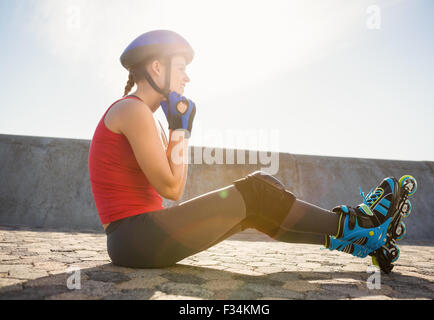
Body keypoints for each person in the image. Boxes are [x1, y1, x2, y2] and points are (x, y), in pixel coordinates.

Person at [88, 30, 415, 272]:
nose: (188, 76)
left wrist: (176, 128)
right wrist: (181, 129)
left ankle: (361, 240)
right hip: (135, 237)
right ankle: (362, 223)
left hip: (138, 240)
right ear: (156, 68)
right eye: (181, 67)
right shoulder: (133, 111)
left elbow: (171, 188)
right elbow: (172, 188)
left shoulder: (148, 119)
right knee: (256, 192)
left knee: (256, 207)